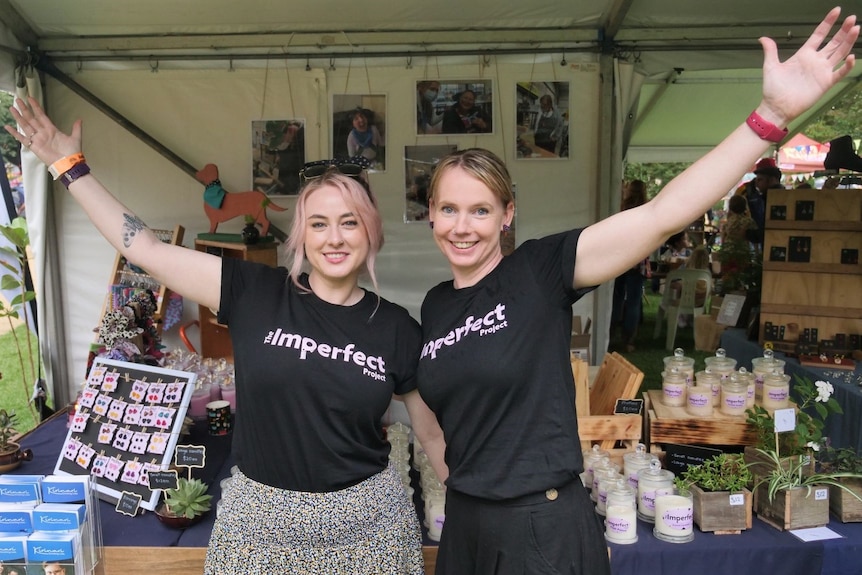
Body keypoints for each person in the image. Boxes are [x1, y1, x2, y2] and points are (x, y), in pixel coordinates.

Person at [416, 9, 857, 574]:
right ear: (429, 214)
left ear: (507, 215)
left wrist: (768, 119)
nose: (462, 225)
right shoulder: (435, 305)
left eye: (480, 210)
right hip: (466, 526)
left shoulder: (538, 271)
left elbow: (661, 214)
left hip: (539, 528)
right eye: (448, 209)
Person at [6, 102, 448, 574]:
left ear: (370, 231)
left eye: (349, 222)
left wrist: (478, 508)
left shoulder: (396, 327)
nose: (333, 238)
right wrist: (70, 168)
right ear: (301, 234)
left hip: (367, 530)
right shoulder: (255, 291)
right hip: (260, 528)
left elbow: (433, 435)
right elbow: (147, 249)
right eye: (319, 223)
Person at [611, 179, 649, 352]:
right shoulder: (647, 210)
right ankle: (629, 341)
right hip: (638, 258)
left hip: (619, 257)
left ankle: (610, 336)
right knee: (634, 301)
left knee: (616, 299)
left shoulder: (620, 208)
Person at [734, 156, 782, 246]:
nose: (756, 183)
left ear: (772, 180)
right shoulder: (766, 198)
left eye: (760, 180)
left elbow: (768, 231)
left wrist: (747, 234)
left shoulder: (776, 200)